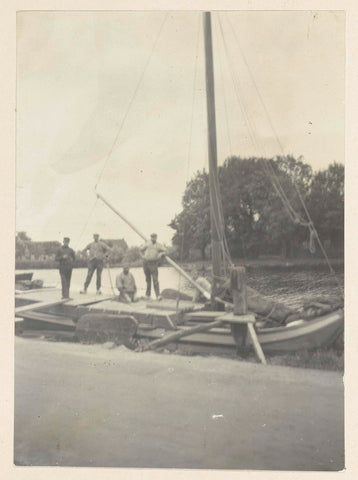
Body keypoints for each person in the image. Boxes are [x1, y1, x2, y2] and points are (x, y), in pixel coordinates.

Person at [140, 233, 166, 299]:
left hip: (153, 263)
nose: (153, 238)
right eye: (152, 237)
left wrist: (161, 254)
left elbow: (165, 250)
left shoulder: (159, 245)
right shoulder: (147, 243)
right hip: (146, 263)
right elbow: (140, 250)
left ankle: (158, 295)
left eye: (154, 237)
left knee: (155, 280)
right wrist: (143, 256)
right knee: (148, 280)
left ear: (156, 238)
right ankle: (148, 295)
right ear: (150, 237)